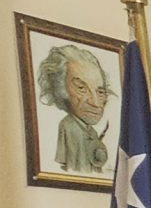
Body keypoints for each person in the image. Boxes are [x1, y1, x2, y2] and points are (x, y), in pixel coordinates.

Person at [39, 43, 114, 176]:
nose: (95, 103)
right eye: (81, 88)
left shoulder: (91, 131)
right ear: (61, 90)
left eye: (100, 92)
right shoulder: (68, 127)